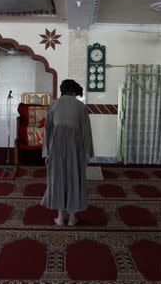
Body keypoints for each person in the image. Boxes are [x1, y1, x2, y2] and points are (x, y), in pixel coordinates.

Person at [41, 79, 94, 226]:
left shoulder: (53, 105)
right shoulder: (81, 107)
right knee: (74, 180)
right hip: (75, 150)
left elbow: (47, 131)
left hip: (55, 150)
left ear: (62, 91)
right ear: (75, 92)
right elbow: (86, 133)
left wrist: (47, 153)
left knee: (57, 180)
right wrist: (86, 156)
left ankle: (59, 217)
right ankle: (71, 218)